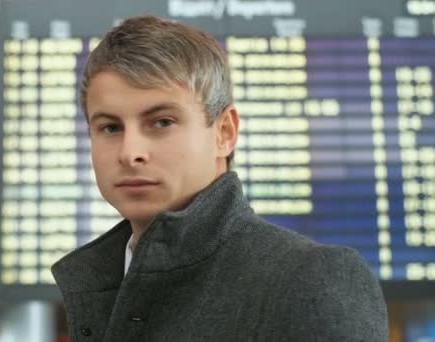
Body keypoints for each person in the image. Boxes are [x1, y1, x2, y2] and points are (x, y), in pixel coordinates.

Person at [51, 15, 388, 341]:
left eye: (162, 122)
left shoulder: (312, 277)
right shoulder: (102, 281)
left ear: (224, 133)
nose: (130, 152)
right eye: (110, 127)